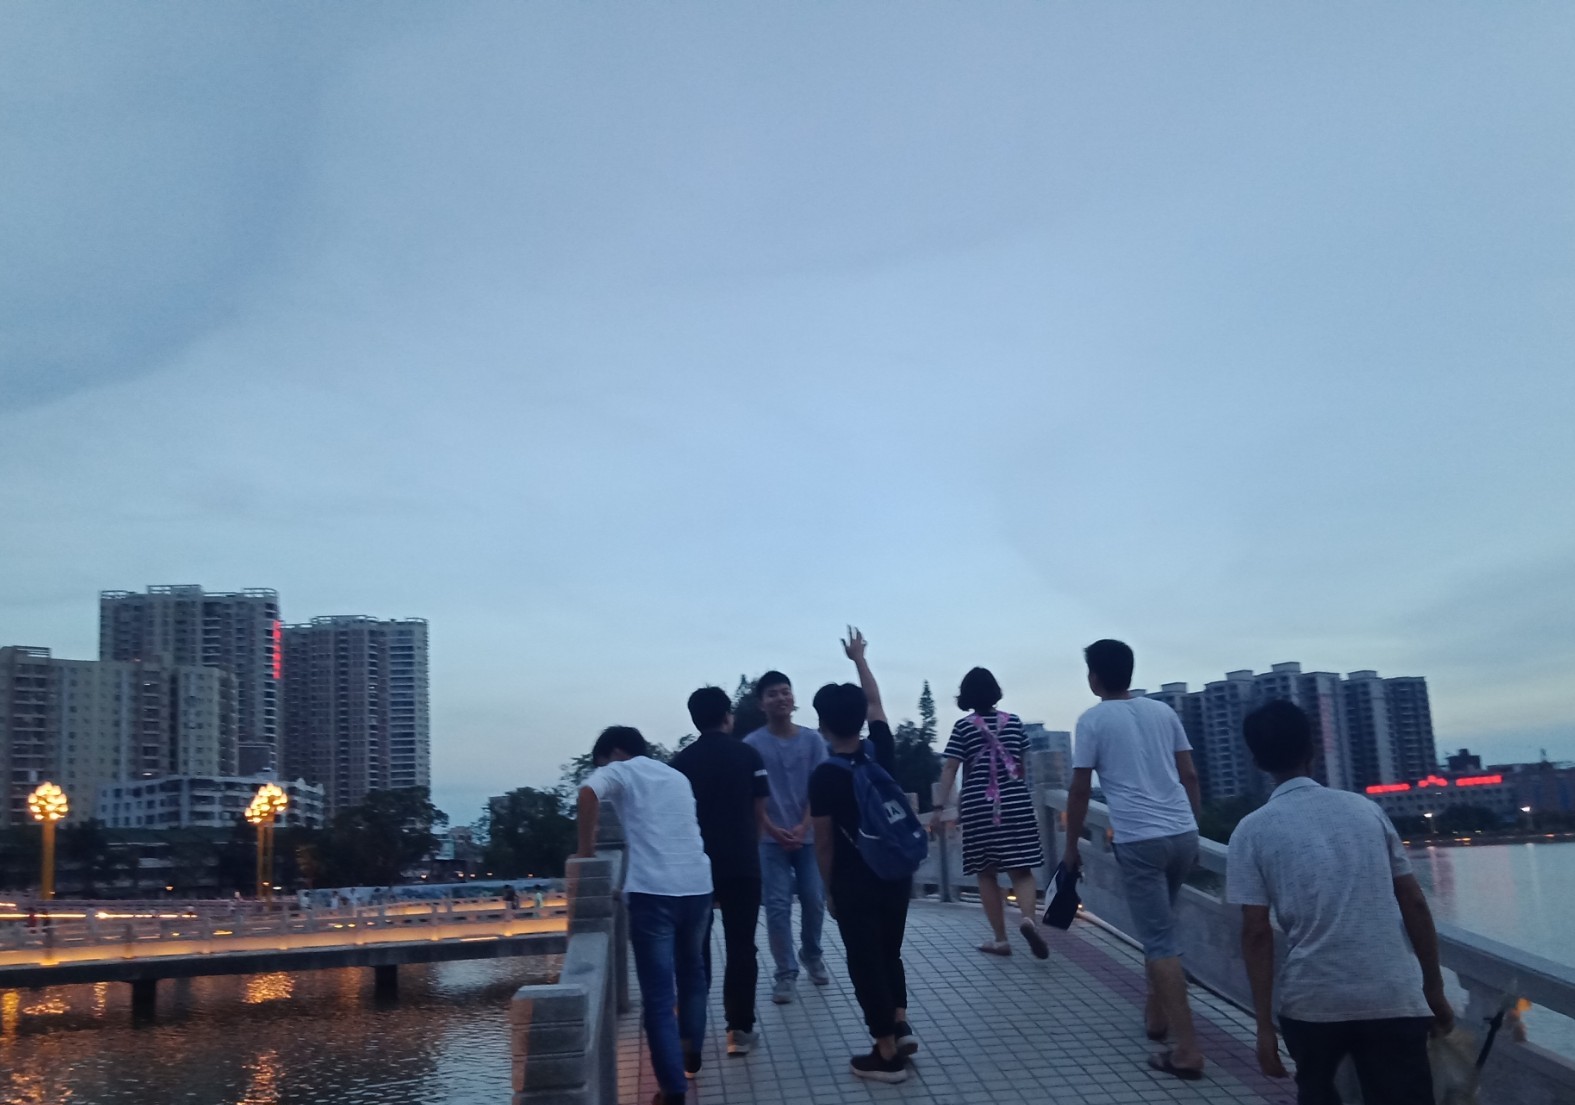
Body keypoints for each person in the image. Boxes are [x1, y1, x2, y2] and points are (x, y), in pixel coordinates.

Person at [1229, 700, 1454, 1104]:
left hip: (1313, 1001)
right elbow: (1414, 903)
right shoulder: (1365, 811)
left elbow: (1256, 932)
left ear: (1256, 761)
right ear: (1312, 749)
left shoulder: (1250, 830)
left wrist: (1263, 1027)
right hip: (1392, 994)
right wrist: (1433, 988)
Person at [1062, 638, 1206, 1080]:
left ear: (1095, 677)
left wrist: (1070, 847)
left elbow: (1080, 789)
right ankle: (1156, 1016)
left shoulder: (1092, 720)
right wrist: (1193, 829)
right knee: (1158, 929)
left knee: (1159, 941)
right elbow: (1189, 775)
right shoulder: (1163, 712)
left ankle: (1187, 1051)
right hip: (1182, 833)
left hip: (1140, 840)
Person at [576, 726, 713, 1105]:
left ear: (615, 752)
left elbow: (587, 794)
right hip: (698, 886)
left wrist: (585, 853)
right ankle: (690, 1053)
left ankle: (673, 1090)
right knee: (693, 975)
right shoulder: (676, 776)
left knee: (658, 997)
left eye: (602, 762)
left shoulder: (622, 770)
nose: (603, 769)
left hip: (654, 895)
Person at [809, 628, 919, 1084]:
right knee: (890, 951)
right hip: (896, 873)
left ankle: (886, 1053)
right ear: (858, 720)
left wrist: (829, 890)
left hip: (856, 881)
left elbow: (823, 843)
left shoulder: (824, 776)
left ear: (823, 725)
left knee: (864, 960)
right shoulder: (881, 752)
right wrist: (859, 660)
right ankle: (900, 1021)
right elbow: (876, 703)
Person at [670, 685, 772, 1057]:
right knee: (742, 946)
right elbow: (759, 812)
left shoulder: (680, 764)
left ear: (695, 719)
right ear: (728, 716)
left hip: (696, 867)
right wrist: (749, 847)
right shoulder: (748, 754)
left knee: (694, 950)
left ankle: (692, 1032)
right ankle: (739, 1030)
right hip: (742, 863)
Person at [934, 667, 1048, 958]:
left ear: (966, 696)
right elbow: (1021, 764)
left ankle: (1000, 940)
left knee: (986, 873)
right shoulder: (1014, 722)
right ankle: (1028, 920)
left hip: (978, 807)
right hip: (1016, 802)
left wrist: (938, 807)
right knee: (1022, 870)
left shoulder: (963, 727)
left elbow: (951, 767)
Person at [744, 669, 830, 1003]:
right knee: (777, 906)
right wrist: (770, 828)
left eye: (785, 691)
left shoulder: (813, 741)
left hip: (806, 836)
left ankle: (812, 952)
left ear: (793, 698)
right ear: (761, 704)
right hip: (770, 839)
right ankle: (785, 973)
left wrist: (804, 826)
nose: (781, 698)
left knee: (814, 898)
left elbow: (820, 788)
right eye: (772, 694)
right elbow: (751, 796)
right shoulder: (752, 745)